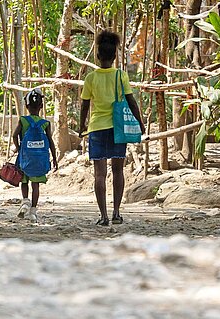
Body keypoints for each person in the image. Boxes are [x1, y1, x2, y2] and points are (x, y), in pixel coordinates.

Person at [80, 31, 145, 226]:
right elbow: (131, 101)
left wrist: (81, 124)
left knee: (99, 174)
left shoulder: (91, 78)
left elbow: (84, 105)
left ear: (98, 56)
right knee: (118, 171)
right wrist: (140, 122)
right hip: (118, 129)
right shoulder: (120, 75)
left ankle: (103, 216)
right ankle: (116, 213)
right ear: (115, 56)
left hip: (97, 128)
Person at [12, 88, 58, 222]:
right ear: (41, 106)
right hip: (39, 160)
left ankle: (25, 201)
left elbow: (15, 136)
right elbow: (50, 141)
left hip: (25, 158)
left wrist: (19, 148)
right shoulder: (45, 123)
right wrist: (54, 158)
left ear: (26, 106)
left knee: (24, 181)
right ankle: (33, 211)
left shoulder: (23, 120)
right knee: (35, 185)